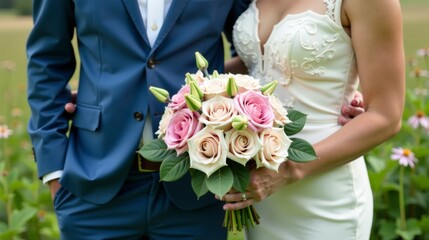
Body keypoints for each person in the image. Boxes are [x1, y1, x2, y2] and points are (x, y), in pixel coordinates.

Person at [27, 0, 364, 239]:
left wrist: (332, 90)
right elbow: (46, 58)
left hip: (197, 186)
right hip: (94, 182)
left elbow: (258, 49)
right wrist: (54, 170)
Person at [221, 0, 405, 239]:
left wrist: (288, 170)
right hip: (263, 194)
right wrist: (200, 93)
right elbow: (260, 64)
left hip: (325, 195)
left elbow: (386, 116)